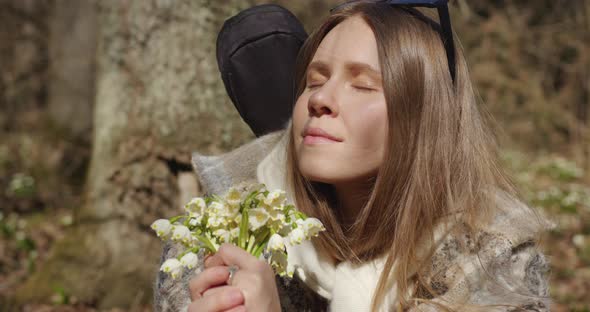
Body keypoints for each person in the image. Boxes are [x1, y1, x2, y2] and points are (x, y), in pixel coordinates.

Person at [153, 1, 554, 311]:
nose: (321, 100)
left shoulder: (491, 263)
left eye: (362, 86)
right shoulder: (222, 231)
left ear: (424, 120)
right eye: (314, 81)